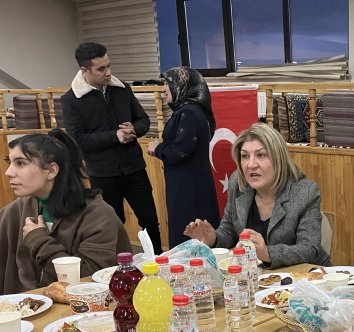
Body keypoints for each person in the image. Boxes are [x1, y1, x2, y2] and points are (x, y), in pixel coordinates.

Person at [0, 129, 133, 293]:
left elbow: (87, 281)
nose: (8, 173)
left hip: (84, 312)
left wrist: (38, 240)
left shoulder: (98, 215)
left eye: (20, 163)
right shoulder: (20, 207)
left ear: (51, 171)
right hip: (25, 309)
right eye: (10, 162)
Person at [61, 42, 162, 254]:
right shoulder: (71, 100)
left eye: (109, 66)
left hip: (134, 168)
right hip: (103, 173)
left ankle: (159, 263)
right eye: (101, 69)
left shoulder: (122, 89)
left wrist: (135, 129)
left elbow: (143, 120)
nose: (108, 72)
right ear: (84, 70)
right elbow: (78, 139)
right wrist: (114, 136)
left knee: (150, 220)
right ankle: (117, 271)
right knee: (112, 226)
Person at [184, 123, 332, 268]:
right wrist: (214, 238)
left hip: (307, 278)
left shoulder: (305, 191)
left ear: (279, 159)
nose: (251, 164)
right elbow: (229, 230)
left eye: (261, 155)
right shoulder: (238, 182)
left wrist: (267, 253)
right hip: (258, 277)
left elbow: (309, 249)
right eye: (245, 156)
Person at [146, 67, 220, 248]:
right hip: (189, 185)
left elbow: (180, 151)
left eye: (168, 84)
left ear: (182, 86)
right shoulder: (189, 111)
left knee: (189, 239)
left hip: (189, 190)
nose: (163, 89)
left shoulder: (189, 113)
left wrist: (157, 148)